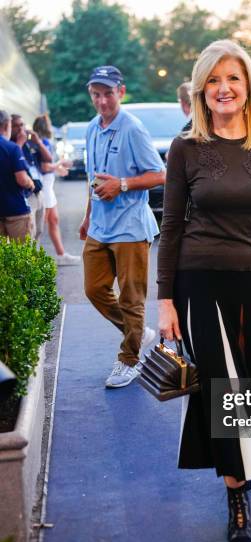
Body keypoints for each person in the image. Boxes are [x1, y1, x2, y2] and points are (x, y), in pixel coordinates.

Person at [157, 40, 251, 542]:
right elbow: (171, 226)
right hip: (201, 285)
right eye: (213, 79)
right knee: (223, 388)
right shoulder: (185, 149)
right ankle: (237, 498)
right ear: (202, 89)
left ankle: (244, 470)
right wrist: (165, 300)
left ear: (248, 88)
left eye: (233, 79)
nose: (223, 88)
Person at [80, 65, 166, 388]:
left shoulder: (133, 129)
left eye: (108, 94)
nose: (102, 101)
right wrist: (88, 217)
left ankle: (129, 360)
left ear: (121, 92)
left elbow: (160, 174)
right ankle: (138, 332)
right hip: (100, 227)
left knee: (132, 298)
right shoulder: (91, 128)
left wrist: (123, 184)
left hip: (130, 227)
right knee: (93, 289)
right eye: (96, 95)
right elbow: (93, 178)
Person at [32, 114, 81, 265]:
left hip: (47, 186)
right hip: (45, 187)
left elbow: (46, 167)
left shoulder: (38, 142)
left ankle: (60, 254)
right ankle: (34, 257)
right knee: (41, 225)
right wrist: (59, 163)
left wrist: (57, 169)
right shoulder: (44, 142)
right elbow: (45, 167)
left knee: (52, 220)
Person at [10, 113, 52, 242]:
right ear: (8, 128)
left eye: (22, 125)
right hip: (25, 194)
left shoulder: (31, 142)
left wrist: (38, 141)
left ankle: (35, 259)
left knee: (39, 230)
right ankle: (31, 261)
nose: (20, 128)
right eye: (15, 126)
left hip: (38, 191)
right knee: (29, 232)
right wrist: (20, 143)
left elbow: (48, 159)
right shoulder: (12, 145)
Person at [0, 110, 35, 240]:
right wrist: (30, 184)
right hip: (16, 210)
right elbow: (21, 179)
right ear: (6, 125)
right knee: (22, 256)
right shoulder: (12, 148)